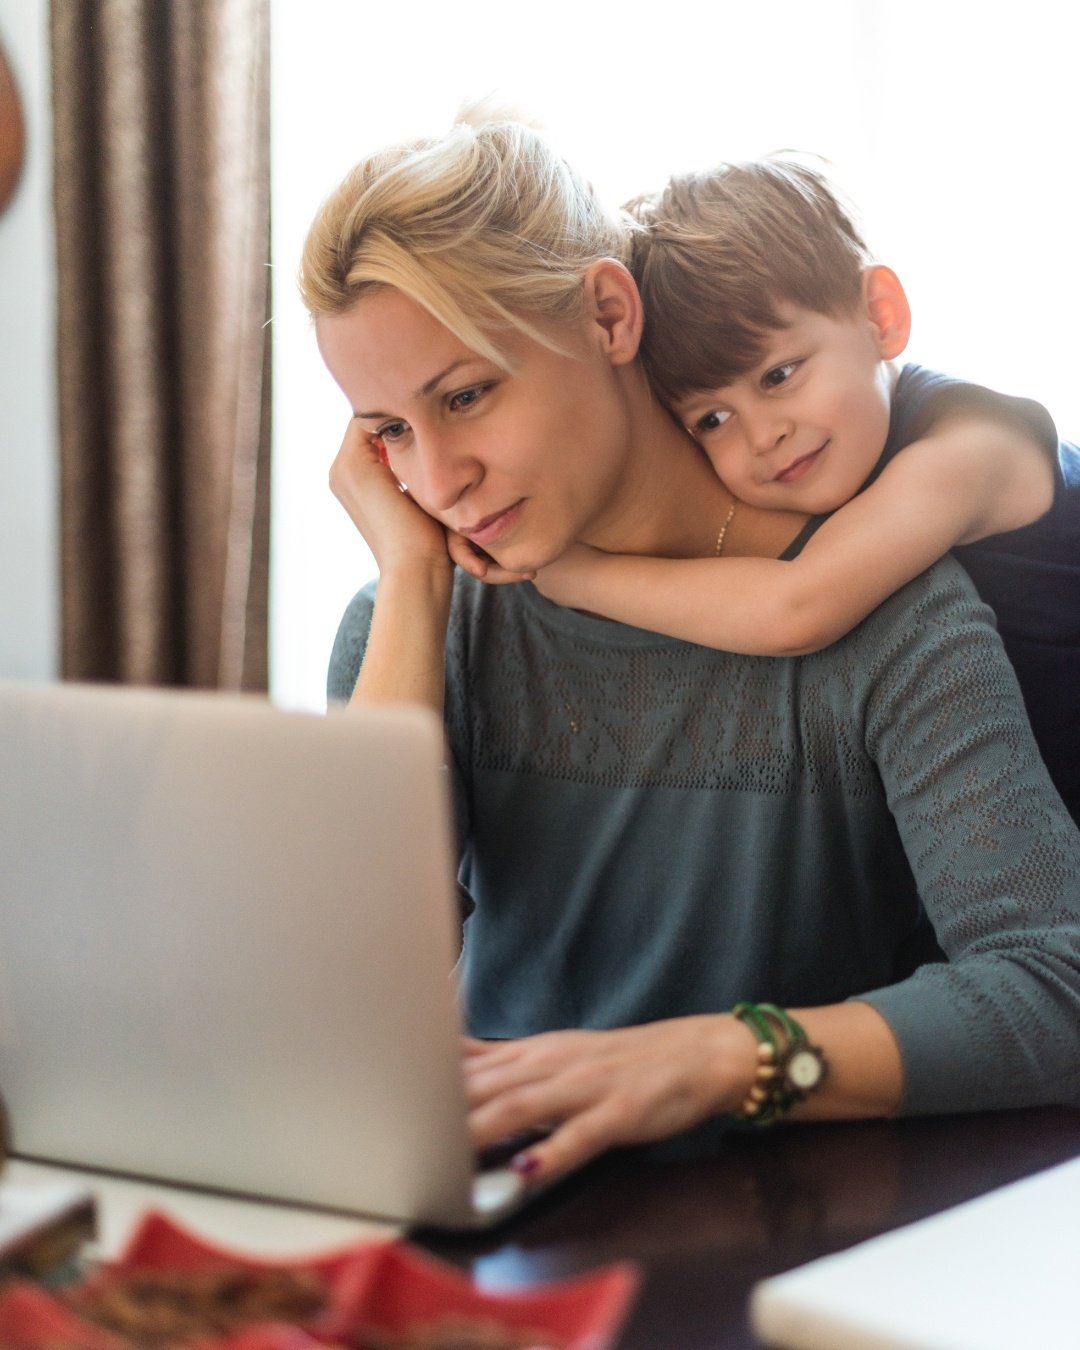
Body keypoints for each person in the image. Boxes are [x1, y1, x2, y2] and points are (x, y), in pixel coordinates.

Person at [299, 116, 1080, 1187]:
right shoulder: (413, 618)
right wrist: (413, 582)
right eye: (387, 430)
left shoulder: (892, 612)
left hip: (776, 1240)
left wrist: (725, 1055)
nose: (438, 484)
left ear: (610, 314)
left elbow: (1055, 986)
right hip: (508, 1228)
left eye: (467, 395)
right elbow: (343, 1002)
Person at [524, 157, 1080, 823]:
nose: (762, 436)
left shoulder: (971, 445)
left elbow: (798, 608)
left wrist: (574, 576)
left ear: (881, 316)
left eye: (780, 374)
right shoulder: (838, 457)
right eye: (712, 419)